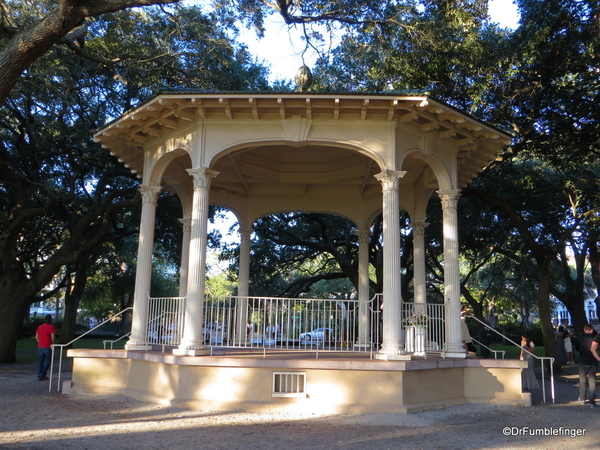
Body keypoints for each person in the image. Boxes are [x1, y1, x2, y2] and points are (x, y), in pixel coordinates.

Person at [575, 324, 600, 408]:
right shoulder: (595, 338)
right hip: (592, 361)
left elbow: (577, 348)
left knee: (582, 380)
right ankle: (592, 401)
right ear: (591, 330)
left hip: (583, 360)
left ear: (584, 329)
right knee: (592, 381)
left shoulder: (579, 337)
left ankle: (582, 398)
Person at [35, 314, 56, 381]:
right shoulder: (51, 327)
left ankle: (40, 374)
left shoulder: (40, 327)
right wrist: (52, 343)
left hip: (40, 346)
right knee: (49, 361)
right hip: (48, 345)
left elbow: (36, 336)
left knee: (41, 361)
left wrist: (39, 342)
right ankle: (43, 373)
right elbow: (52, 336)